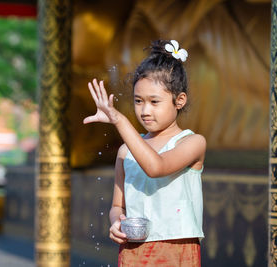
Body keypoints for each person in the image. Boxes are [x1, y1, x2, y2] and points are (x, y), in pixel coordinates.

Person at [83, 39, 206, 266]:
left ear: (179, 101)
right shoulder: (125, 151)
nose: (145, 111)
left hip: (176, 251)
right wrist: (116, 223)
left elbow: (156, 167)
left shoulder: (193, 142)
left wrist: (118, 119)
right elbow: (117, 206)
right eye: (138, 101)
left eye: (154, 101)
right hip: (133, 249)